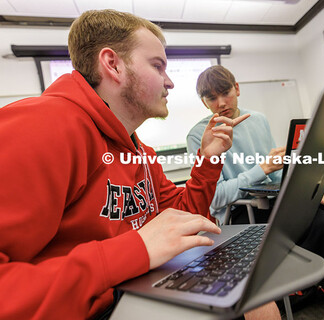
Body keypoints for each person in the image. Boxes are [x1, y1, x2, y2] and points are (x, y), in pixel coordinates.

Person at [0, 9, 260, 320]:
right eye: (157, 66)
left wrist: (208, 160)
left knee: (251, 290)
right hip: (87, 307)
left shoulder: (139, 151)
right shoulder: (42, 127)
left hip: (135, 288)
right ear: (113, 65)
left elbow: (185, 217)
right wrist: (135, 250)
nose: (170, 82)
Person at [187, 65, 324, 320]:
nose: (221, 102)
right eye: (211, 98)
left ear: (237, 88)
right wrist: (260, 169)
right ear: (203, 102)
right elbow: (214, 199)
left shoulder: (258, 119)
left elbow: (277, 175)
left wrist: (308, 193)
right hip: (241, 213)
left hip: (277, 200)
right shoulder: (198, 135)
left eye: (225, 92)